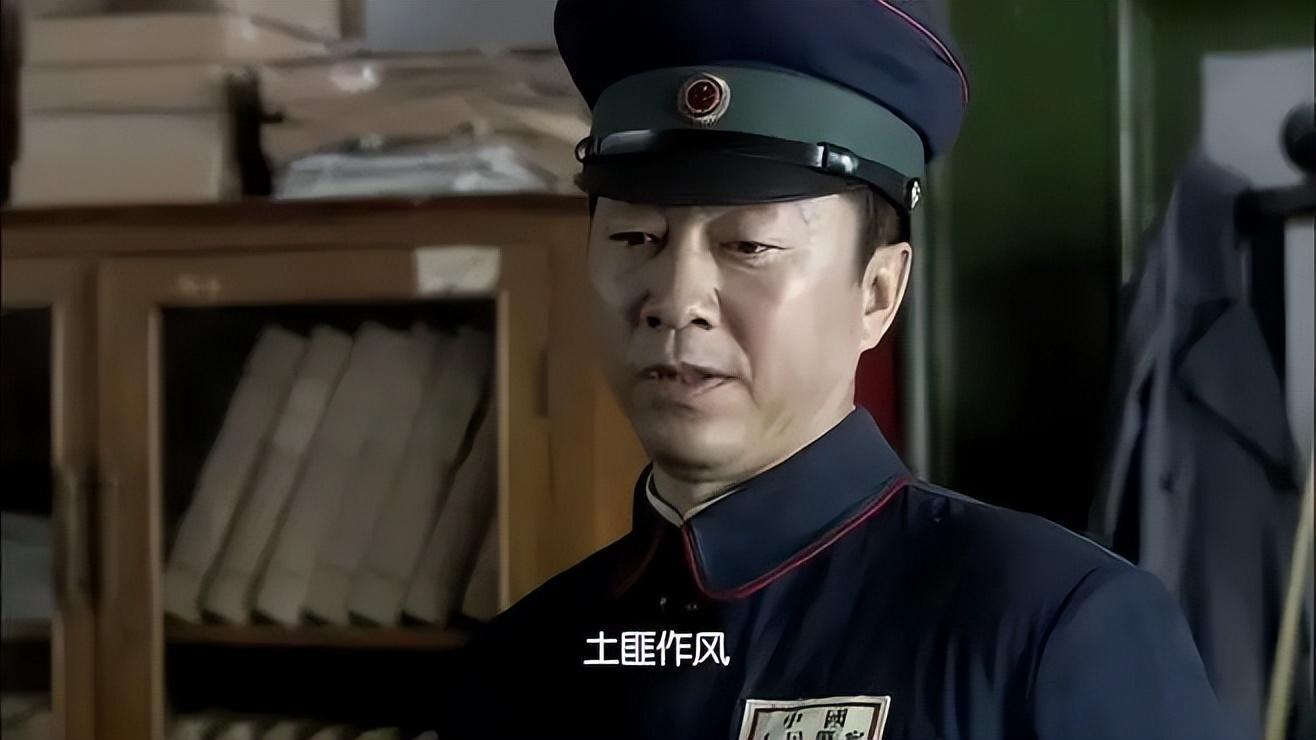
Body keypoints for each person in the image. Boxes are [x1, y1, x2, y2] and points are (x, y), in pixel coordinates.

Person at [439, 2, 1238, 738]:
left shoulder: (1048, 629)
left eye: (747, 245)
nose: (676, 301)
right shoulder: (517, 668)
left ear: (878, 293)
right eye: (634, 239)